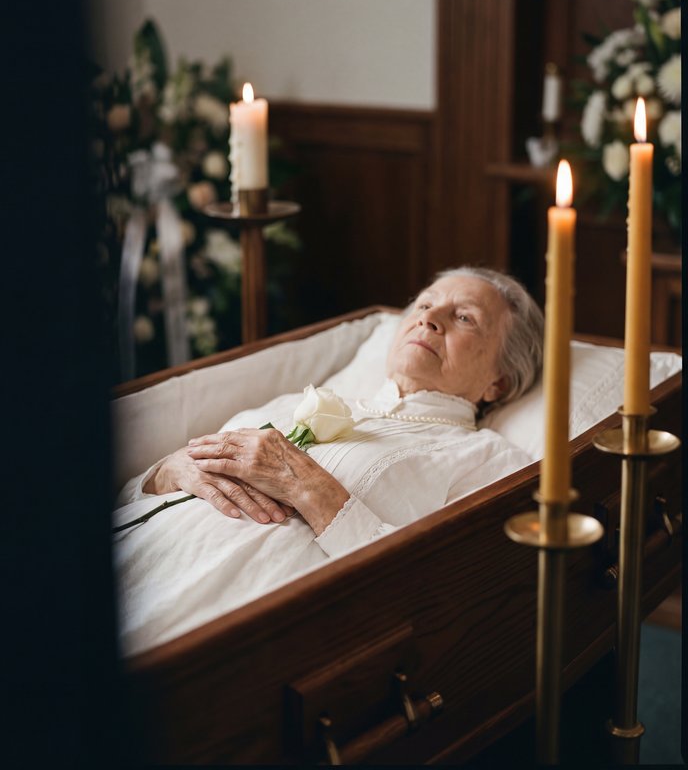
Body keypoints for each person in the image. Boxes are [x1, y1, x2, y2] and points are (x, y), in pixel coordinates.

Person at [114, 266, 544, 651]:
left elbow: (444, 595)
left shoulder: (492, 462)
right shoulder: (299, 401)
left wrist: (313, 491)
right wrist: (167, 471)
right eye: (426, 303)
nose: (428, 318)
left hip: (203, 630)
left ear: (499, 383)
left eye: (464, 317)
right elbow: (127, 498)